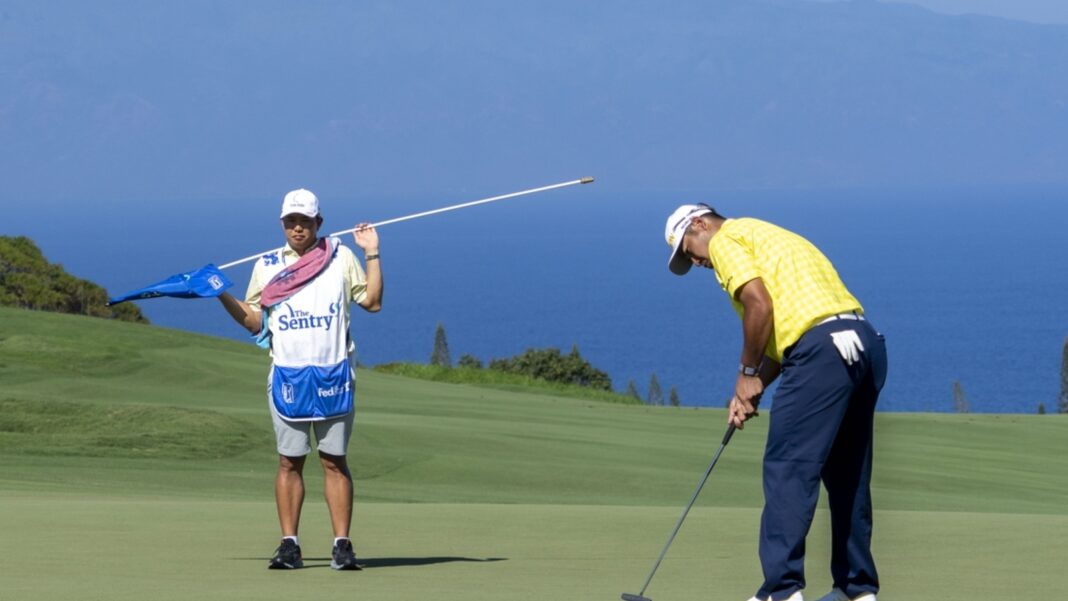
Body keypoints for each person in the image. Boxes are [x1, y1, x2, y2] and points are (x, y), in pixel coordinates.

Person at [664, 203, 887, 601]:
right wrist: (750, 390)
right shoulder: (771, 236)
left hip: (820, 353)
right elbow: (789, 330)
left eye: (688, 249)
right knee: (846, 474)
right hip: (863, 344)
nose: (695, 261)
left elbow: (759, 304)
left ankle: (781, 591)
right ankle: (857, 590)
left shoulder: (725, 239)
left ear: (700, 224)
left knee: (787, 469)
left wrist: (746, 374)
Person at [218, 188, 383, 571]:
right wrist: (220, 294)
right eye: (291, 221)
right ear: (282, 223)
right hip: (288, 376)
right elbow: (254, 321)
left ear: (318, 223)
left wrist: (371, 251)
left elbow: (372, 302)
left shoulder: (340, 257)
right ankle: (289, 545)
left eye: (304, 221)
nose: (297, 228)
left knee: (334, 461)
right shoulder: (267, 265)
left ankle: (342, 545)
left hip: (334, 374)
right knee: (289, 462)